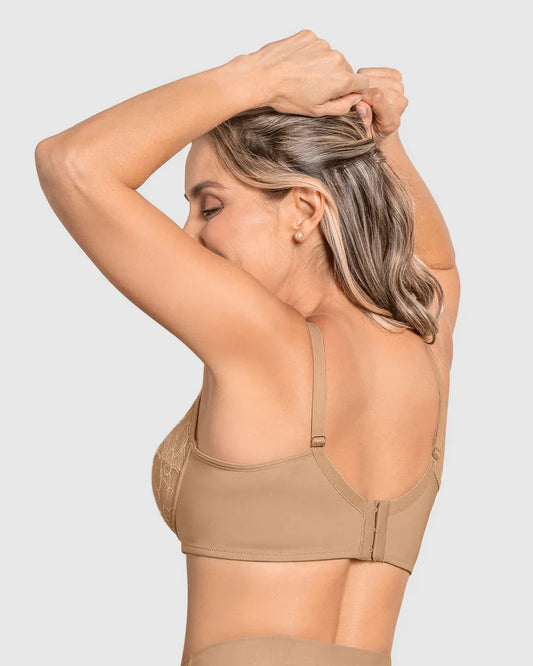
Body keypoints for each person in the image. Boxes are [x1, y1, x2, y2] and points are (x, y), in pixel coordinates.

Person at [35, 29, 460, 666]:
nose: (187, 236)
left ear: (305, 210)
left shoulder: (265, 345)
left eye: (209, 207)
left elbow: (71, 164)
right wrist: (381, 138)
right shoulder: (425, 339)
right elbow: (437, 263)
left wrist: (255, 76)